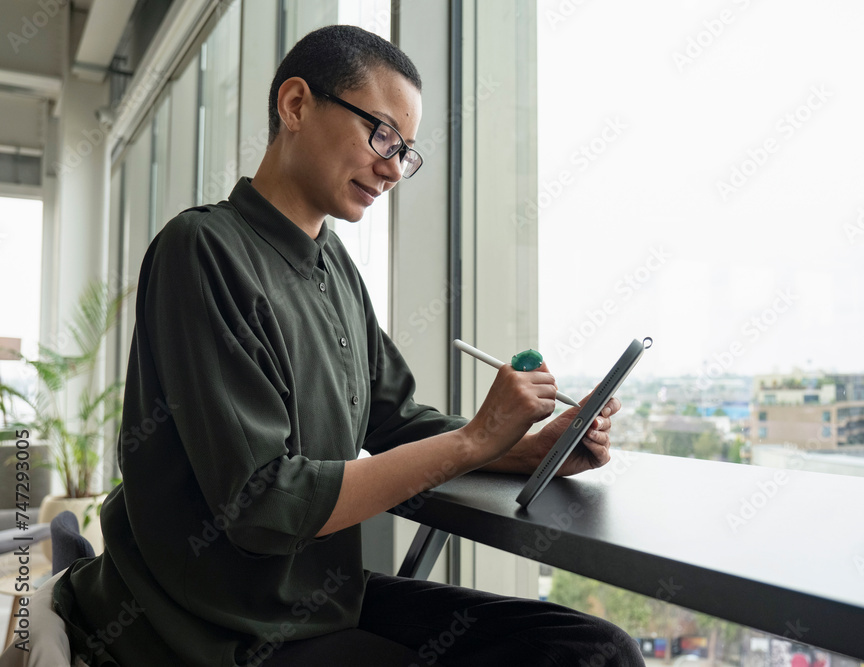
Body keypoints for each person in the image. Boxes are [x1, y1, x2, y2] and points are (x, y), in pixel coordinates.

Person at [50, 25, 644, 667]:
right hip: (209, 625)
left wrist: (528, 450)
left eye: (407, 151)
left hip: (314, 600)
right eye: (381, 134)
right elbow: (262, 504)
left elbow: (397, 421)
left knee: (592, 648)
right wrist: (476, 439)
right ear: (296, 105)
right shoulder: (202, 251)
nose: (393, 168)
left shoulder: (334, 265)